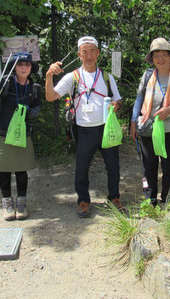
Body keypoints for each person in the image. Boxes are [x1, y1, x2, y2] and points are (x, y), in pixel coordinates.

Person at [45, 36, 123, 218]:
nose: (88, 55)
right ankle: (83, 200)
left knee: (113, 166)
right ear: (79, 54)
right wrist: (49, 76)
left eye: (92, 51)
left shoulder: (106, 77)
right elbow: (50, 97)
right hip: (83, 130)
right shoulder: (72, 77)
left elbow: (117, 100)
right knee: (82, 168)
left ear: (98, 53)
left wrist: (115, 106)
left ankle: (114, 198)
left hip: (106, 128)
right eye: (84, 52)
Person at [130, 38, 170, 206]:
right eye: (157, 55)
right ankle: (150, 199)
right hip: (149, 128)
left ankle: (168, 199)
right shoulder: (148, 75)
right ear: (152, 58)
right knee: (148, 166)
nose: (160, 58)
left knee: (169, 167)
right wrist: (134, 121)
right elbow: (139, 98)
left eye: (164, 54)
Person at [0, 52, 41, 221]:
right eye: (20, 64)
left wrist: (30, 111)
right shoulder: (5, 84)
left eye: (27, 65)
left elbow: (36, 109)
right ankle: (7, 204)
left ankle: (21, 203)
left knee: (20, 169)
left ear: (31, 68)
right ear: (14, 67)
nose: (24, 67)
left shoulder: (34, 88)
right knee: (4, 170)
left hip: (21, 134)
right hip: (2, 133)